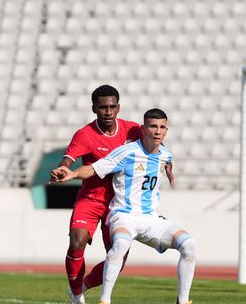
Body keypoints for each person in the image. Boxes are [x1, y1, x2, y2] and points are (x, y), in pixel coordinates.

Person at [52, 108, 195, 304]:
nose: (157, 131)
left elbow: (165, 159)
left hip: (150, 218)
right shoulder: (126, 152)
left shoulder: (166, 154)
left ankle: (183, 301)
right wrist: (73, 174)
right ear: (143, 129)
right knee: (119, 245)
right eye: (153, 126)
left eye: (162, 127)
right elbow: (95, 168)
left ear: (166, 131)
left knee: (189, 245)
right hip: (124, 215)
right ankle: (105, 300)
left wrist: (169, 168)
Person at [51, 85, 144, 304]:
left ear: (118, 107)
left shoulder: (132, 131)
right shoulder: (85, 134)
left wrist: (166, 162)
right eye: (103, 107)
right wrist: (63, 168)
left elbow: (154, 143)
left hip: (120, 203)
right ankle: (76, 296)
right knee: (77, 241)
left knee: (118, 259)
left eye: (112, 107)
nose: (108, 112)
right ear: (94, 108)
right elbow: (68, 158)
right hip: (90, 199)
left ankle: (81, 286)